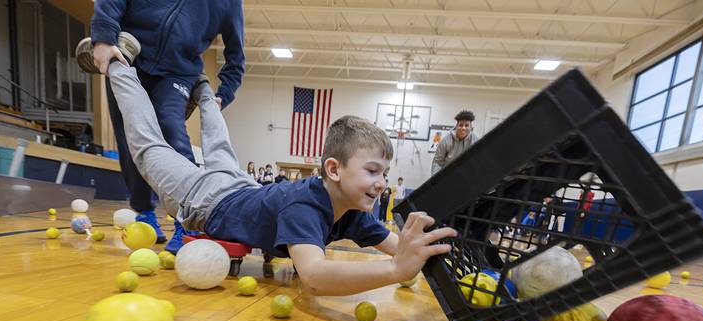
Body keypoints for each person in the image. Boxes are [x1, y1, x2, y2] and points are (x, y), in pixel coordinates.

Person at [88, 42, 455, 296]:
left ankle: (200, 84)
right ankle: (118, 61)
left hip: (240, 187)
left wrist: (418, 251)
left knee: (218, 142)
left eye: (384, 174)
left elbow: (400, 250)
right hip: (204, 201)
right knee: (147, 146)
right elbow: (313, 276)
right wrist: (394, 271)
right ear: (334, 169)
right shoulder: (305, 206)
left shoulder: (353, 212)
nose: (381, 183)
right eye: (373, 171)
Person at [79, 0, 245, 254]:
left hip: (179, 73)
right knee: (129, 139)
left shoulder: (230, 3)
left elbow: (236, 56)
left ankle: (188, 220)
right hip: (128, 55)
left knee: (171, 128)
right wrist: (102, 38)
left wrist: (224, 93)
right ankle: (144, 212)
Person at [431, 110, 479, 175]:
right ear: (456, 126)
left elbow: (477, 161)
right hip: (447, 175)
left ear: (471, 127)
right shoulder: (446, 140)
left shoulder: (475, 140)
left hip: (466, 175)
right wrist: (435, 180)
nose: (463, 128)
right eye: (461, 125)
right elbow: (437, 162)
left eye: (467, 125)